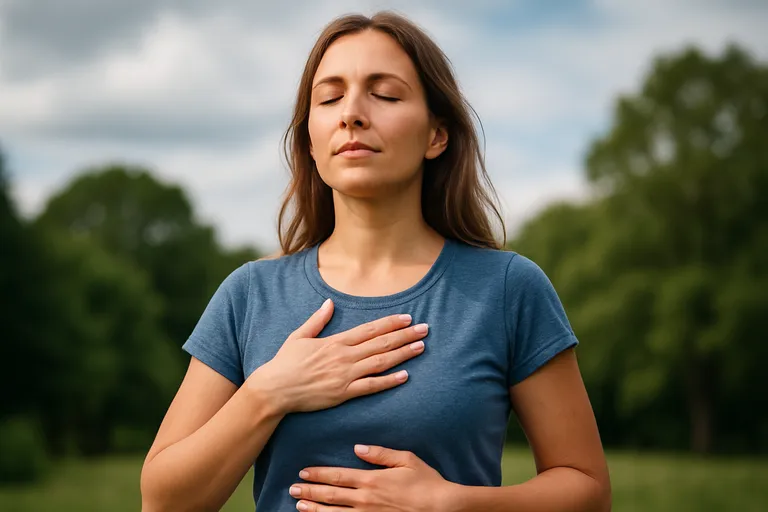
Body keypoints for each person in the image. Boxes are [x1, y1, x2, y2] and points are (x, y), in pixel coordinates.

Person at [140, 11, 611, 512]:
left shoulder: (508, 289)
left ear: (437, 135)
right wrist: (268, 393)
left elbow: (589, 491)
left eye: (384, 94)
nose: (351, 114)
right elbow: (163, 504)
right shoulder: (250, 294)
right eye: (329, 98)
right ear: (311, 142)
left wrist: (450, 504)